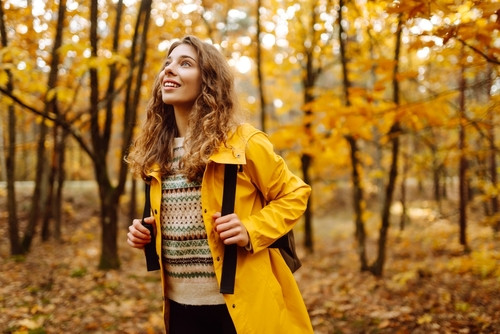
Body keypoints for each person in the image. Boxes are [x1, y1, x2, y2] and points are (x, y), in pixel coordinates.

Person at [126, 35, 313, 334]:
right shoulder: (157, 153)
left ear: (209, 81)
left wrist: (251, 229)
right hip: (179, 306)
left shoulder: (244, 142)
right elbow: (184, 219)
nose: (169, 70)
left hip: (239, 307)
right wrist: (145, 233)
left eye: (185, 64)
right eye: (167, 64)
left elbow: (295, 193)